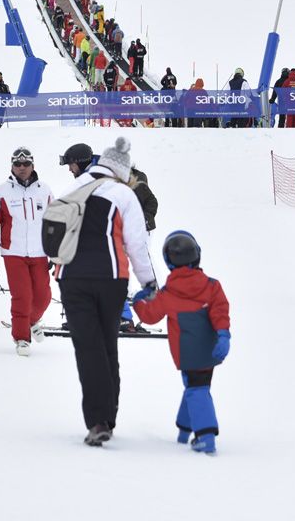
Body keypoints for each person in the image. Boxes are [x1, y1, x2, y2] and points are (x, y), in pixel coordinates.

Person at [52, 137, 157, 446]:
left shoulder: (72, 187)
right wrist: (149, 282)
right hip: (112, 278)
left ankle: (98, 420)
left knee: (87, 347)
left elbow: (56, 229)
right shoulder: (124, 194)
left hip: (71, 276)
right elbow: (137, 244)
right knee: (107, 343)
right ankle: (107, 416)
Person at [133, 231, 232, 454]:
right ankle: (184, 431)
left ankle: (205, 436)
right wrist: (223, 334)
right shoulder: (212, 286)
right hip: (211, 349)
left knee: (197, 389)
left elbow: (150, 316)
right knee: (196, 387)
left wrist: (139, 301)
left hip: (187, 353)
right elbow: (220, 311)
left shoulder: (168, 294)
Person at [0, 147, 55, 356]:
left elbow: (55, 223)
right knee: (22, 296)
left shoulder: (45, 190)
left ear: (33, 165)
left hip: (40, 252)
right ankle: (22, 338)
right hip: (13, 253)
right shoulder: (3, 191)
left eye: (26, 164)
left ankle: (31, 321)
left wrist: (56, 252)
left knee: (43, 297)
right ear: (12, 166)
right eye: (17, 164)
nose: (22, 168)